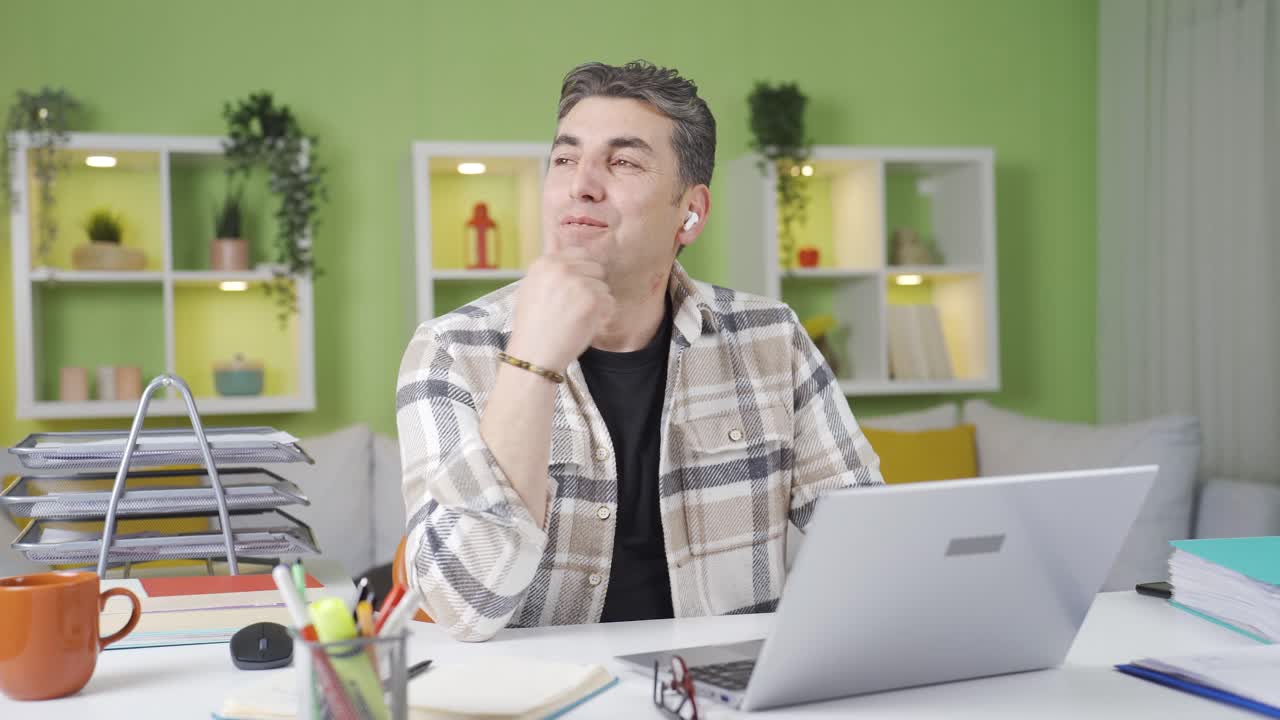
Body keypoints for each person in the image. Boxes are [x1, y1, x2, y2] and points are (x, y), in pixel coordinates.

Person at [396, 60, 883, 642]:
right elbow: (464, 604)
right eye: (566, 158)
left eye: (622, 161)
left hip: (722, 691)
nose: (582, 183)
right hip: (540, 695)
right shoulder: (451, 349)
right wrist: (532, 361)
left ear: (692, 211)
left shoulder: (772, 337)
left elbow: (870, 548)